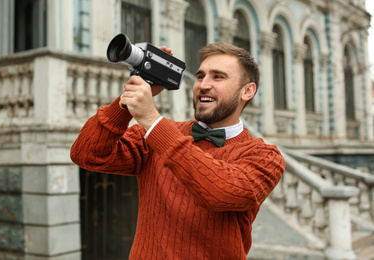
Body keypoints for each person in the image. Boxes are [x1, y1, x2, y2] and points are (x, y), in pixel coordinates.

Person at [71, 42, 285, 259]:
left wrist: (152, 121)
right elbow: (86, 153)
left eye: (218, 77)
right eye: (200, 76)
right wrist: (127, 102)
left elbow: (219, 192)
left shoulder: (265, 157)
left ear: (247, 91)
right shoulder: (156, 135)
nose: (203, 85)